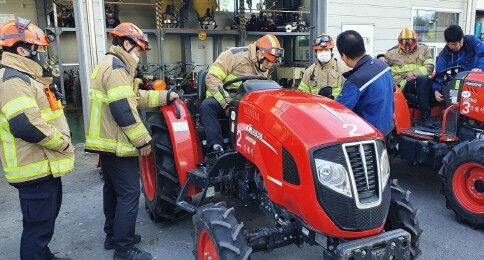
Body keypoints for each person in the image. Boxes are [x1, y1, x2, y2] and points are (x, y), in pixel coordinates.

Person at [84, 22, 179, 260]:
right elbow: (124, 110)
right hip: (116, 144)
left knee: (113, 191)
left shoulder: (109, 64)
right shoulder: (117, 69)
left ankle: (112, 236)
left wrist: (165, 95)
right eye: (138, 49)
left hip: (106, 143)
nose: (139, 55)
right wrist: (143, 141)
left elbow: (134, 97)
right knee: (128, 194)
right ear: (126, 44)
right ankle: (124, 249)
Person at [0, 17, 75, 260]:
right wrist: (61, 143)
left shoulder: (24, 76)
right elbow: (24, 124)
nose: (42, 54)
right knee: (37, 228)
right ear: (22, 50)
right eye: (38, 49)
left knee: (44, 223)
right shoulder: (13, 80)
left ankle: (44, 256)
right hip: (33, 168)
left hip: (43, 166)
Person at [201, 34, 283, 152]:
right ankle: (216, 147)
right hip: (225, 99)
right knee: (207, 106)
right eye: (268, 61)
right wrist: (227, 103)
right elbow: (212, 78)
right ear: (259, 53)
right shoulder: (232, 56)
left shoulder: (262, 64)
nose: (269, 65)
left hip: (247, 103)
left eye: (272, 62)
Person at [335, 30, 395, 138]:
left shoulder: (356, 80)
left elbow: (339, 111)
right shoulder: (384, 66)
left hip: (370, 134)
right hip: (388, 127)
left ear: (344, 56)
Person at [379, 27, 435, 127]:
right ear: (399, 42)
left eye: (410, 41)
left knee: (424, 80)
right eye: (404, 42)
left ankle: (426, 116)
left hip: (419, 81)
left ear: (415, 40)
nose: (407, 45)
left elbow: (430, 67)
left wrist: (414, 73)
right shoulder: (392, 53)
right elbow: (379, 62)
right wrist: (380, 58)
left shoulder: (424, 49)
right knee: (423, 81)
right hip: (402, 84)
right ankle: (426, 117)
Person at [433, 25, 484, 102]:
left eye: (460, 42)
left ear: (463, 37)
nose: (457, 46)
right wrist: (436, 90)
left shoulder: (473, 41)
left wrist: (480, 68)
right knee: (453, 101)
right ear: (446, 43)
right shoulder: (443, 55)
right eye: (453, 44)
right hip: (456, 84)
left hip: (475, 80)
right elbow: (439, 73)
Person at [298, 33, 349, 99]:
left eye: (326, 50)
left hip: (336, 108)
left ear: (331, 51)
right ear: (316, 52)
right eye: (320, 50)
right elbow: (302, 96)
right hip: (316, 108)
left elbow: (349, 96)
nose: (323, 52)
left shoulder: (343, 70)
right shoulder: (309, 72)